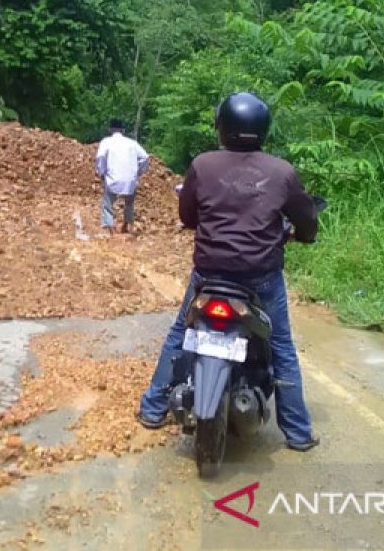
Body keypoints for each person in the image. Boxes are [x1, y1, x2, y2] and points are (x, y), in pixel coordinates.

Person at [135, 92, 321, 452]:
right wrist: (302, 236)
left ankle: (153, 409)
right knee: (281, 345)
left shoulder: (203, 165)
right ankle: (298, 433)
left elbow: (188, 217)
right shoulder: (282, 171)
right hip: (260, 278)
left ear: (222, 127)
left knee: (179, 334)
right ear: (262, 129)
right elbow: (307, 221)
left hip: (209, 274)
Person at [94, 119, 150, 236]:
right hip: (130, 180)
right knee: (129, 203)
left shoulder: (106, 142)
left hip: (113, 179)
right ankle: (126, 225)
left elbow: (100, 157)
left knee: (107, 204)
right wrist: (139, 172)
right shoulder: (132, 143)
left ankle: (112, 229)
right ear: (122, 130)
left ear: (110, 129)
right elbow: (145, 157)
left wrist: (102, 173)